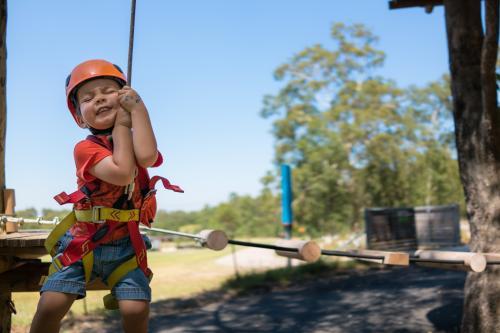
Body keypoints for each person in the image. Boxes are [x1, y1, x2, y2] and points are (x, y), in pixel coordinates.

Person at [30, 59, 181, 333]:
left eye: (108, 91)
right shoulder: (85, 149)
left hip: (125, 243)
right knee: (51, 304)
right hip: (83, 241)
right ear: (79, 117)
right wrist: (123, 126)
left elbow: (146, 156)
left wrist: (138, 111)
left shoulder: (134, 138)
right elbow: (123, 172)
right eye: (88, 98)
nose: (99, 98)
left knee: (136, 309)